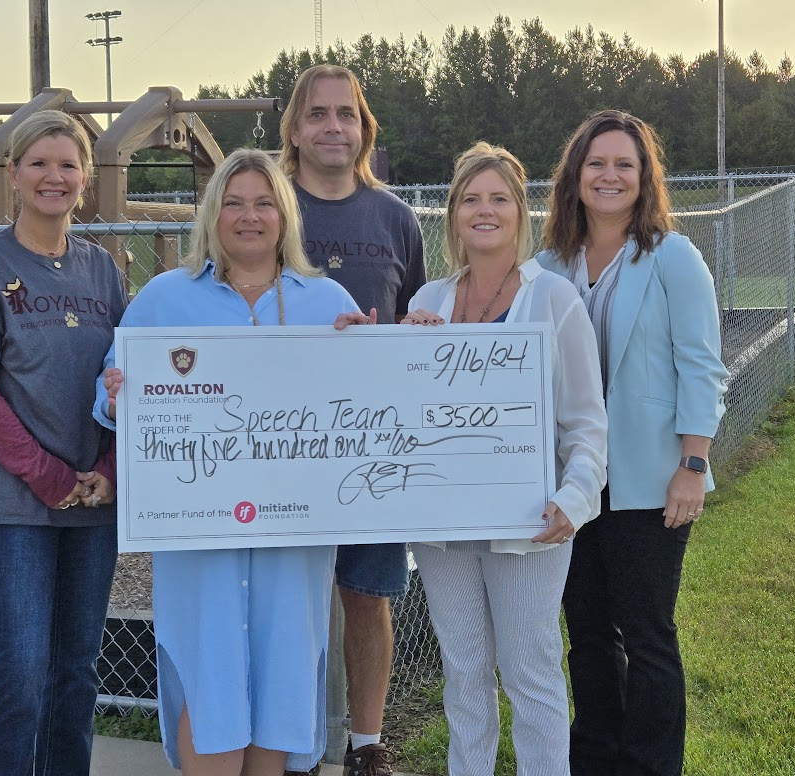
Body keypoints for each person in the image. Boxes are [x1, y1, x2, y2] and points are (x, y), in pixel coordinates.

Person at [93, 148, 373, 776]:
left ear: (286, 216)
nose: (250, 217)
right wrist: (116, 396)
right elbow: (106, 399)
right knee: (208, 669)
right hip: (200, 546)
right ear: (212, 216)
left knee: (280, 672)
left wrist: (370, 354)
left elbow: (363, 409)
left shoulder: (327, 302)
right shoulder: (164, 299)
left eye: (265, 203)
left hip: (290, 543)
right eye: (234, 203)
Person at [401, 141, 608, 775]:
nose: (484, 211)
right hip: (445, 530)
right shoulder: (428, 301)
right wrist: (385, 349)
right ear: (453, 215)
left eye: (498, 199)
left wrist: (574, 499)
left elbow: (586, 423)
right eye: (470, 199)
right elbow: (394, 414)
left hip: (529, 523)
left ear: (520, 213)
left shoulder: (554, 300)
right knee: (464, 675)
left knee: (532, 673)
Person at [535, 109, 729, 776]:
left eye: (624, 163)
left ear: (643, 177)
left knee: (647, 638)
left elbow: (700, 366)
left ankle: (649, 765)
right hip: (572, 484)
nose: (609, 175)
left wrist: (691, 464)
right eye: (596, 164)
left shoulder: (671, 256)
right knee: (585, 637)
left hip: (651, 480)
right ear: (575, 176)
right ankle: (594, 759)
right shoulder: (547, 266)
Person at [0, 110, 126, 775]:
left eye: (68, 164)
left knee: (75, 672)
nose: (55, 176)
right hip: (16, 503)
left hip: (93, 504)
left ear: (86, 179)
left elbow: (126, 383)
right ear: (13, 174)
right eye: (40, 163)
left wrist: (106, 467)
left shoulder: (103, 271)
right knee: (22, 666)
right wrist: (45, 473)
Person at [279, 64, 427, 776]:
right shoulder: (270, 209)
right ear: (295, 130)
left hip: (375, 447)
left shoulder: (395, 217)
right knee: (295, 601)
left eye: (345, 114)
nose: (332, 127)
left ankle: (365, 746)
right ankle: (295, 743)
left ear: (362, 127)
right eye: (316, 115)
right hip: (282, 446)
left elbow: (419, 326)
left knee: (366, 598)